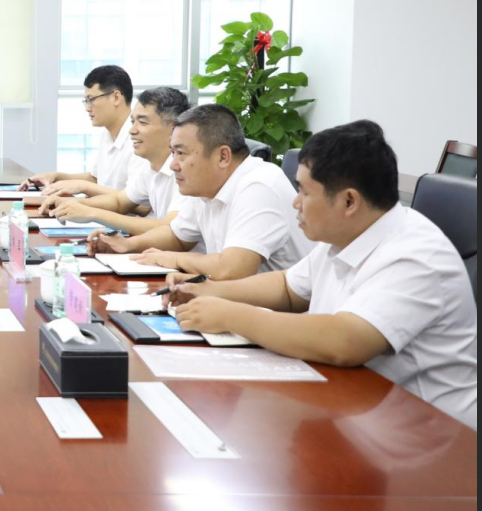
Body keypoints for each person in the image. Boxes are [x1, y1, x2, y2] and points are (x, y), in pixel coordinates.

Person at [167, 120, 476, 429]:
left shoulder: (415, 255)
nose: (295, 203)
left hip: (430, 434)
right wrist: (208, 291)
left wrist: (230, 315)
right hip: (359, 408)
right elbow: (287, 287)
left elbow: (345, 341)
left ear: (349, 201)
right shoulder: (345, 234)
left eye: (304, 191)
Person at [89, 103, 310, 278]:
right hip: (236, 303)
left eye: (181, 154)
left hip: (282, 315)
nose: (173, 165)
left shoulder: (259, 186)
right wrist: (127, 245)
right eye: (172, 153)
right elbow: (177, 236)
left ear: (223, 156)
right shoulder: (206, 185)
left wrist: (174, 259)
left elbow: (232, 269)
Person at [40, 87, 191, 236]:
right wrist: (71, 204)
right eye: (133, 122)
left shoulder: (186, 170)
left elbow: (170, 228)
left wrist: (92, 213)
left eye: (143, 123)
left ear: (173, 130)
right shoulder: (150, 169)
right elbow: (119, 201)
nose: (132, 130)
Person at [21, 65, 141, 195]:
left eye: (91, 100)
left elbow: (136, 201)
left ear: (116, 98)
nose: (87, 108)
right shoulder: (108, 133)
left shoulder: (139, 138)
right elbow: (96, 179)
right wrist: (55, 177)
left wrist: (83, 187)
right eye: (86, 101)